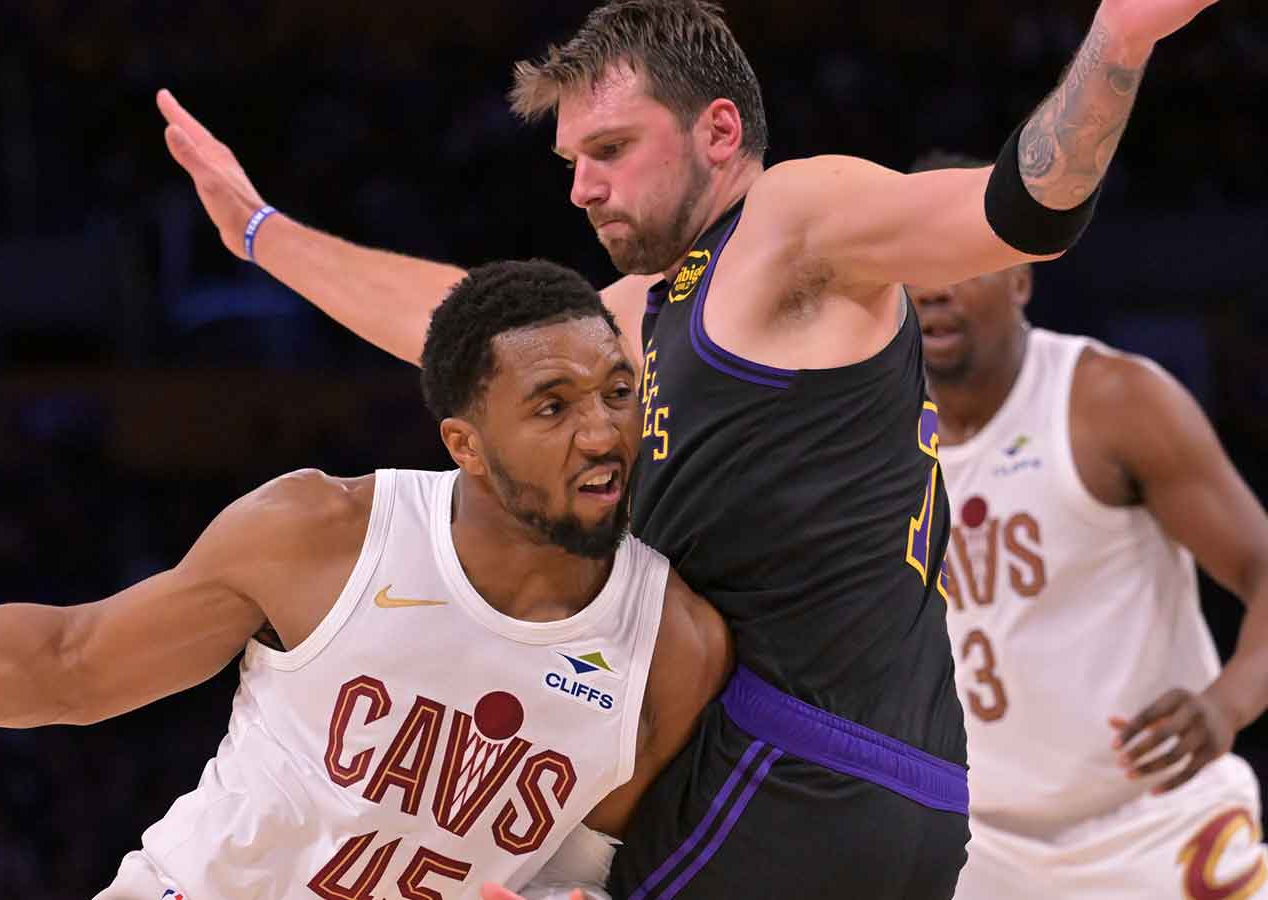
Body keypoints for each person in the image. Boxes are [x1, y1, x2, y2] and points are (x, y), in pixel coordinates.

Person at [154, 0, 1227, 895]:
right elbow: (453, 323)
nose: (581, 185)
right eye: (572, 159)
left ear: (719, 132)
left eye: (611, 150)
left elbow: (1019, 209)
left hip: (787, 764)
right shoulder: (651, 307)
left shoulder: (790, 222)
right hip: (873, 787)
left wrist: (1119, 38)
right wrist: (258, 231)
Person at [0, 261, 732, 900]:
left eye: (617, 391)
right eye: (552, 405)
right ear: (463, 439)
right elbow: (73, 661)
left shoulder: (674, 644)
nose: (602, 430)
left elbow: (586, 868)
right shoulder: (324, 530)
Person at [903, 151, 1268, 898]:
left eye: (963, 260)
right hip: (980, 846)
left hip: (1156, 825)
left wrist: (1224, 705)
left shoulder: (1109, 401)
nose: (935, 288)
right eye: (916, 262)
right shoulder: (867, 443)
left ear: (1021, 278)